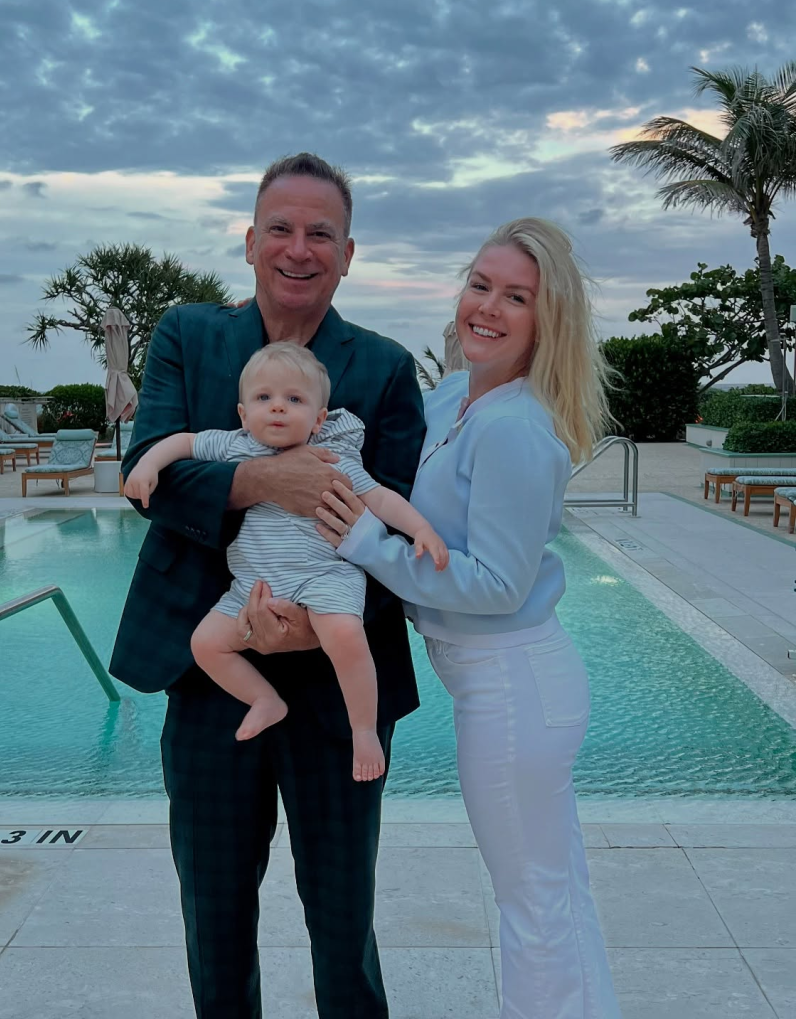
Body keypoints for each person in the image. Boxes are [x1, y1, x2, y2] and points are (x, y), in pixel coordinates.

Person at [110, 152, 426, 1017]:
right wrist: (263, 481)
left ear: (347, 255)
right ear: (250, 242)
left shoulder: (385, 367)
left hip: (338, 681)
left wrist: (315, 623)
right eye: (279, 229)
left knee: (342, 916)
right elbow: (148, 475)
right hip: (210, 669)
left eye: (320, 233)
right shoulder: (188, 336)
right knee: (214, 913)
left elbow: (399, 522)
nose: (298, 248)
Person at [317, 217, 623, 1018]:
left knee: (533, 906)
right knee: (555, 891)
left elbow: (495, 584)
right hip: (501, 682)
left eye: (516, 297)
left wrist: (364, 545)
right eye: (480, 285)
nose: (487, 307)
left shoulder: (517, 427)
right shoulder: (456, 394)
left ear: (547, 319)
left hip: (513, 687)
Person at [124, 340, 448, 781]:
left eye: (294, 399)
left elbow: (379, 497)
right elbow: (183, 442)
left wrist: (421, 529)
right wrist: (148, 466)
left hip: (324, 576)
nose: (277, 407)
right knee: (205, 644)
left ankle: (364, 731)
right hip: (253, 586)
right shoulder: (236, 445)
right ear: (243, 415)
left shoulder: (332, 458)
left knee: (346, 636)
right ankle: (264, 699)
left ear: (318, 419)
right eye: (264, 398)